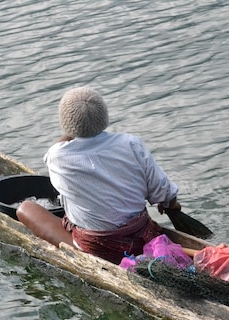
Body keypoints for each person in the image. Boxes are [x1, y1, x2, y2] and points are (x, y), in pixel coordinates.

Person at [16, 86, 181, 264]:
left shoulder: (57, 157)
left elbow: (57, 148)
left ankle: (85, 253)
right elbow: (162, 193)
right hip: (141, 238)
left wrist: (71, 130)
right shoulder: (132, 144)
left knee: (25, 209)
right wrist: (171, 204)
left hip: (99, 248)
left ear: (66, 125)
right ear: (104, 118)